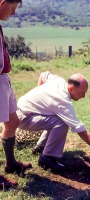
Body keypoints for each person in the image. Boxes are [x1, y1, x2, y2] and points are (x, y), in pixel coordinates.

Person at [17, 71, 90, 172]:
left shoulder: (59, 81)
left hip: (21, 110)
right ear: (71, 88)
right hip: (23, 117)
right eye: (82, 93)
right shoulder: (62, 101)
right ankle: (47, 158)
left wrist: (39, 96)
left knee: (56, 117)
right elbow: (82, 132)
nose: (84, 96)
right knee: (61, 122)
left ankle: (41, 147)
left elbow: (43, 75)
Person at [0, 0, 32, 188]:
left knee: (12, 122)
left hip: (4, 78)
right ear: (3, 3)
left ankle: (11, 164)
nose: (13, 14)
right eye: (12, 9)